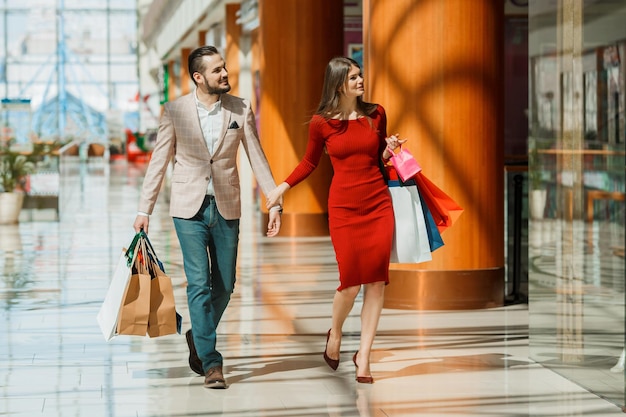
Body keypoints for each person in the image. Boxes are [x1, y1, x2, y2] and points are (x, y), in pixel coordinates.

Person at [133, 45, 283, 389]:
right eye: (217, 70)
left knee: (226, 284)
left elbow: (257, 157)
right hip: (188, 210)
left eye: (225, 67)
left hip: (227, 205)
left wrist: (273, 201)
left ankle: (197, 334)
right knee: (198, 284)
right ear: (199, 77)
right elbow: (158, 162)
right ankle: (212, 363)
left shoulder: (240, 108)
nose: (225, 73)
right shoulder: (174, 111)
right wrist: (145, 209)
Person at [265, 56, 404, 383]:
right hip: (344, 209)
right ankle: (336, 333)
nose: (361, 81)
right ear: (339, 83)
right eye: (354, 77)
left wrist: (389, 150)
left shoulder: (376, 114)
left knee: (376, 281)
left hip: (378, 204)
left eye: (360, 76)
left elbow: (377, 160)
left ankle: (365, 357)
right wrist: (281, 189)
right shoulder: (321, 123)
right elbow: (309, 163)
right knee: (350, 282)